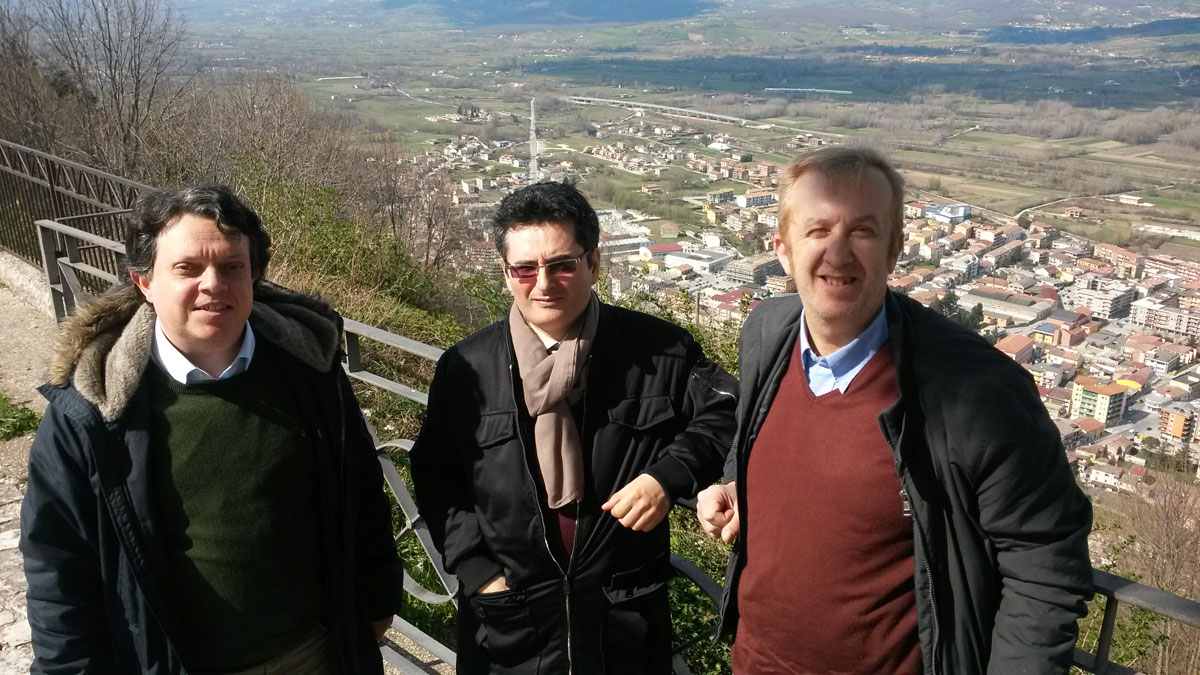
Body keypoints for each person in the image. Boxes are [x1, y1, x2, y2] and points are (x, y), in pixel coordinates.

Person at [696, 147, 1093, 674]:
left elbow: (1044, 568)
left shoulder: (977, 391)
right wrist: (736, 485)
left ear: (894, 249)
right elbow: (755, 439)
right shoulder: (766, 333)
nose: (838, 254)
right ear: (784, 250)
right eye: (817, 231)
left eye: (862, 231)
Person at [21, 185, 403, 674]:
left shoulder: (308, 370)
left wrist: (375, 597)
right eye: (187, 268)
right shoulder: (92, 410)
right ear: (144, 281)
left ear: (254, 276)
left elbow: (360, 485)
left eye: (231, 267)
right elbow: (58, 563)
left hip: (313, 654)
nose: (213, 284)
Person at [410, 181, 737, 674]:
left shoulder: (658, 350)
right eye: (525, 268)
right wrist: (477, 571)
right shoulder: (468, 367)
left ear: (594, 263)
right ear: (505, 273)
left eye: (562, 264)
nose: (543, 283)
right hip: (509, 625)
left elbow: (726, 412)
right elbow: (436, 472)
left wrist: (667, 478)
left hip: (623, 619)